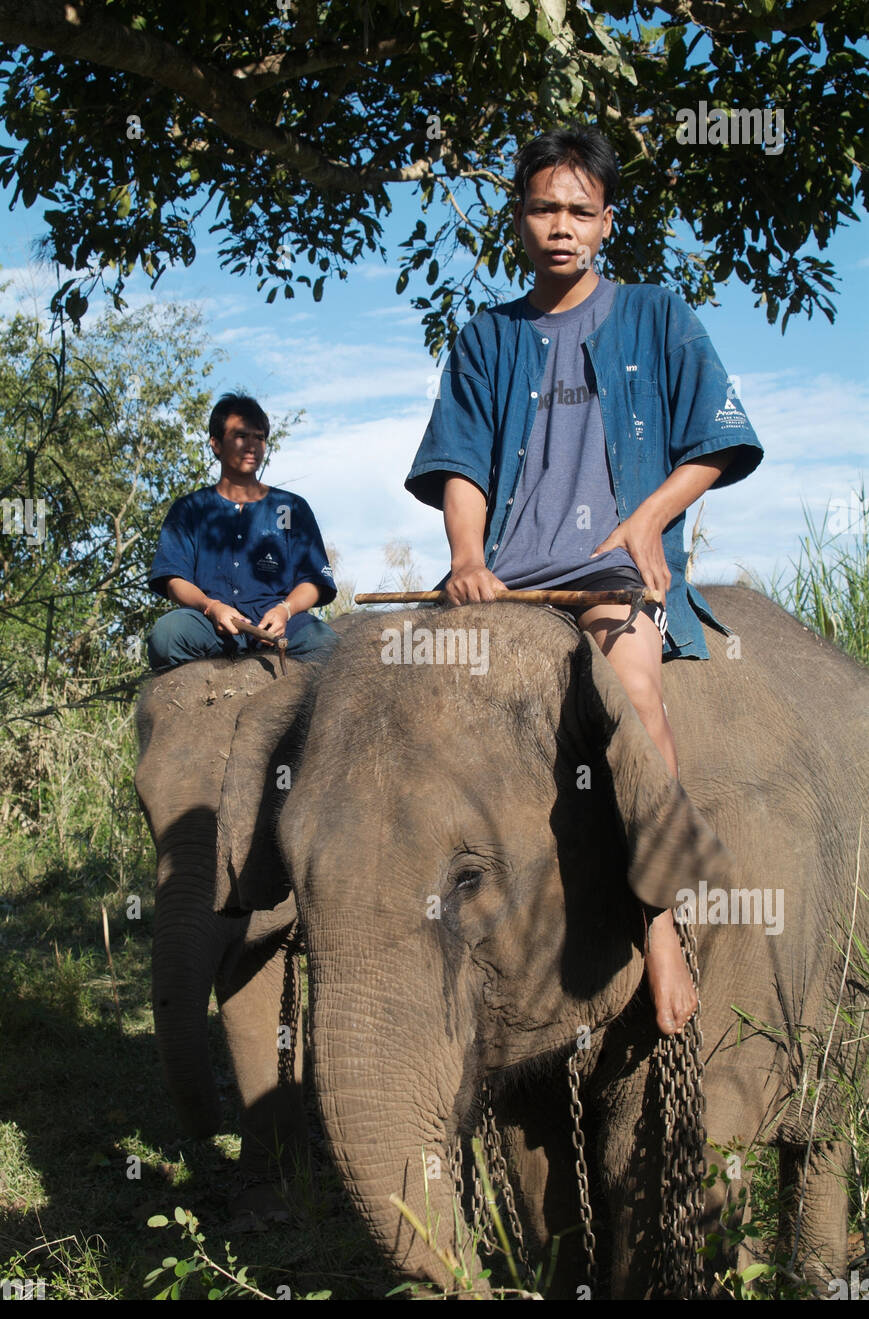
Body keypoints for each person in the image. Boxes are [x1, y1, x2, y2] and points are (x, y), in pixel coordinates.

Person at [404, 127, 763, 1036]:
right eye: (541, 207)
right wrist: (467, 559)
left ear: (606, 222)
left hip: (609, 576)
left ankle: (661, 922)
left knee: (635, 687)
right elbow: (461, 467)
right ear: (516, 218)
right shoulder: (487, 336)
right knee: (400, 706)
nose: (558, 225)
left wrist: (645, 521)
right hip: (510, 584)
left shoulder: (656, 314)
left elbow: (716, 440)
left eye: (577, 210)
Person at [147, 393, 338, 669]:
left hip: (281, 625)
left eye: (258, 438)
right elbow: (174, 580)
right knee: (166, 637)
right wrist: (211, 607)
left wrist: (285, 610)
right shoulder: (189, 509)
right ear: (216, 444)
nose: (251, 446)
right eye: (240, 436)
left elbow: (313, 581)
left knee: (330, 648)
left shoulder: (291, 507)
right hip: (209, 624)